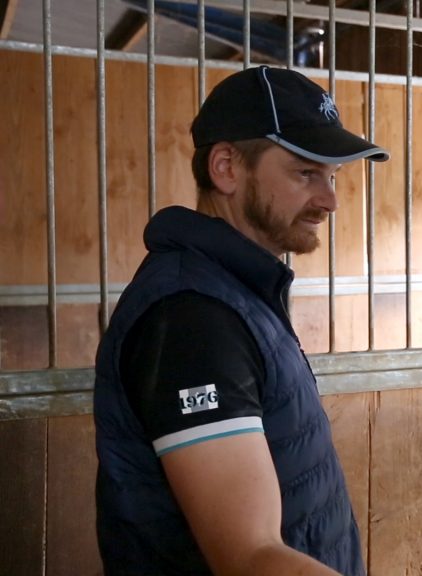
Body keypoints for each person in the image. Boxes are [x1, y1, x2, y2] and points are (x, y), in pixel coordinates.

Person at [93, 65, 388, 575]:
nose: (330, 200)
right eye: (305, 173)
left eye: (332, 177)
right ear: (226, 167)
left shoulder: (236, 294)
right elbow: (249, 556)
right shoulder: (190, 318)